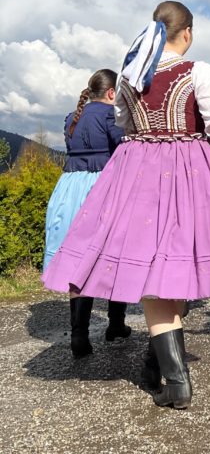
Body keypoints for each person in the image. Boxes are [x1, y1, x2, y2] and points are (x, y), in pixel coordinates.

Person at [42, 1, 210, 409]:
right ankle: (176, 381)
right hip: (187, 173)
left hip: (134, 172)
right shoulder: (198, 71)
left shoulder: (129, 79)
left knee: (154, 269)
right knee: (171, 266)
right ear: (189, 33)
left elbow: (126, 126)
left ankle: (155, 362)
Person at [43, 69, 132, 358]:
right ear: (110, 93)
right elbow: (125, 148)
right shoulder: (109, 115)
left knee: (78, 261)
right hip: (101, 188)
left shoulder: (73, 116)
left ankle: (79, 336)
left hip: (69, 189)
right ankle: (116, 324)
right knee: (114, 258)